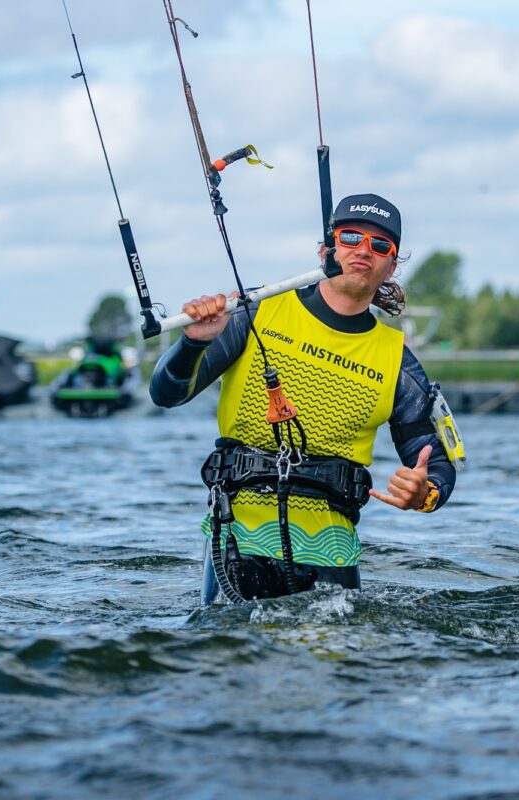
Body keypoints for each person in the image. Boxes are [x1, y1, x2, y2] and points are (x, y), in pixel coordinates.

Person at [150, 193, 457, 602]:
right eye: (351, 237)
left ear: (392, 266)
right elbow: (166, 394)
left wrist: (425, 493)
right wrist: (192, 344)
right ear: (325, 249)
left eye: (380, 245)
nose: (364, 250)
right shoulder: (255, 313)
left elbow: (435, 461)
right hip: (240, 539)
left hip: (332, 550)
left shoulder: (398, 361)